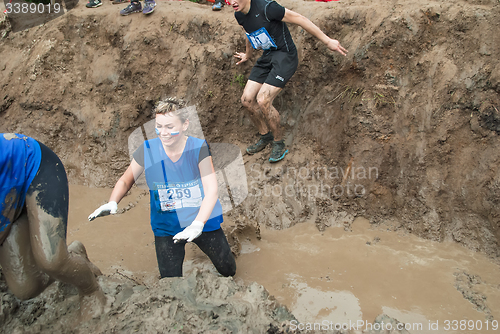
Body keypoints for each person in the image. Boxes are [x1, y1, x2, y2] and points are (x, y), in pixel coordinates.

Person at [88, 98, 236, 278]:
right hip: (167, 226)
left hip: (202, 221)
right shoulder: (148, 149)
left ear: (185, 124)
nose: (163, 133)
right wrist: (112, 201)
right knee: (170, 283)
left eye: (170, 127)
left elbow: (212, 189)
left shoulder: (198, 148)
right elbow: (126, 181)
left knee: (229, 271)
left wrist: (198, 224)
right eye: (159, 126)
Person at [0, 133, 104, 317]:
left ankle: (90, 289)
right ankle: (74, 254)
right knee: (25, 287)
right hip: (8, 198)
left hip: (33, 167)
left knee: (52, 260)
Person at [231, 0, 348, 162]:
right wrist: (248, 55)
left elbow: (299, 18)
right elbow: (249, 33)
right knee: (246, 100)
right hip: (267, 56)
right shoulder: (239, 14)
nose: (231, 2)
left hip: (285, 55)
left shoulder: (268, 8)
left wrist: (328, 41)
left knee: (263, 99)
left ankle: (279, 142)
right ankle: (266, 136)